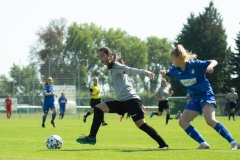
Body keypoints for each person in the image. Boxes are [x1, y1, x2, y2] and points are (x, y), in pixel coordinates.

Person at [76, 47, 169, 149]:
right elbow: (128, 84)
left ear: (109, 55)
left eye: (102, 56)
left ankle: (163, 144)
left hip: (130, 101)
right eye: (99, 57)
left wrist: (144, 72)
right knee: (98, 108)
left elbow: (128, 69)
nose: (100, 59)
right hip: (121, 102)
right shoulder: (111, 68)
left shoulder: (116, 66)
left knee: (141, 125)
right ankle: (92, 137)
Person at [159, 44, 240, 150]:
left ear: (179, 58)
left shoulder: (195, 64)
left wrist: (211, 66)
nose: (171, 61)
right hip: (194, 97)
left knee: (210, 120)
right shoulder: (174, 68)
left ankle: (234, 142)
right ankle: (204, 144)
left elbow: (213, 61)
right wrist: (163, 74)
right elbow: (167, 75)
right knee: (182, 122)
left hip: (205, 94)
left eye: (172, 59)